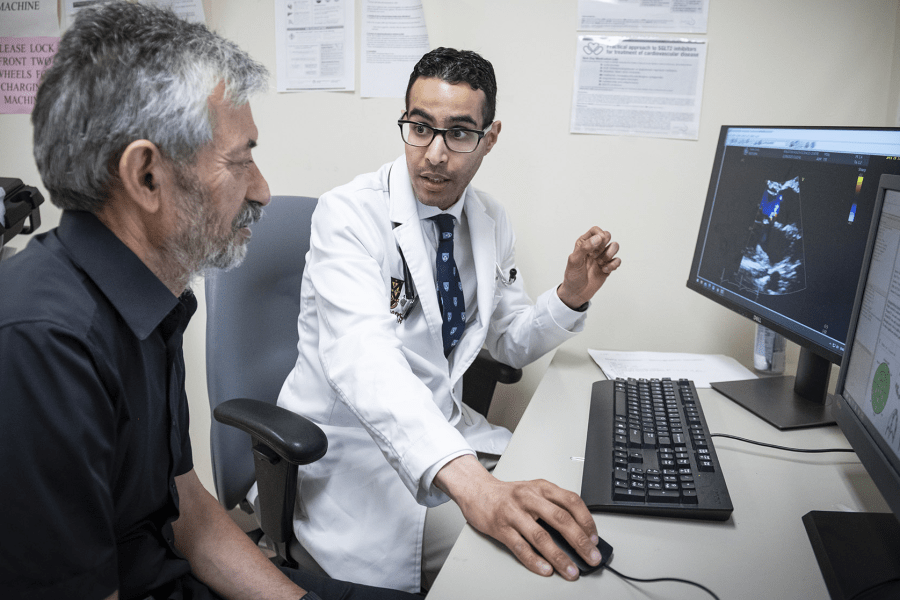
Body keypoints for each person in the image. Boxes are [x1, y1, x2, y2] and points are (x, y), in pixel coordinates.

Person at [0, 4, 420, 600]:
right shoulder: (41, 345)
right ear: (147, 176)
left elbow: (186, 510)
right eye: (240, 159)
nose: (263, 189)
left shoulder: (156, 300)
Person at [275, 47, 622, 592]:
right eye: (420, 127)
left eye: (460, 132)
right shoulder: (348, 214)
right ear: (406, 121)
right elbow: (364, 361)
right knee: (525, 568)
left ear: (490, 136)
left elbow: (507, 339)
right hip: (353, 454)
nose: (435, 154)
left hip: (445, 432)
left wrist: (570, 297)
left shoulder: (488, 220)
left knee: (579, 504)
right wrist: (478, 490)